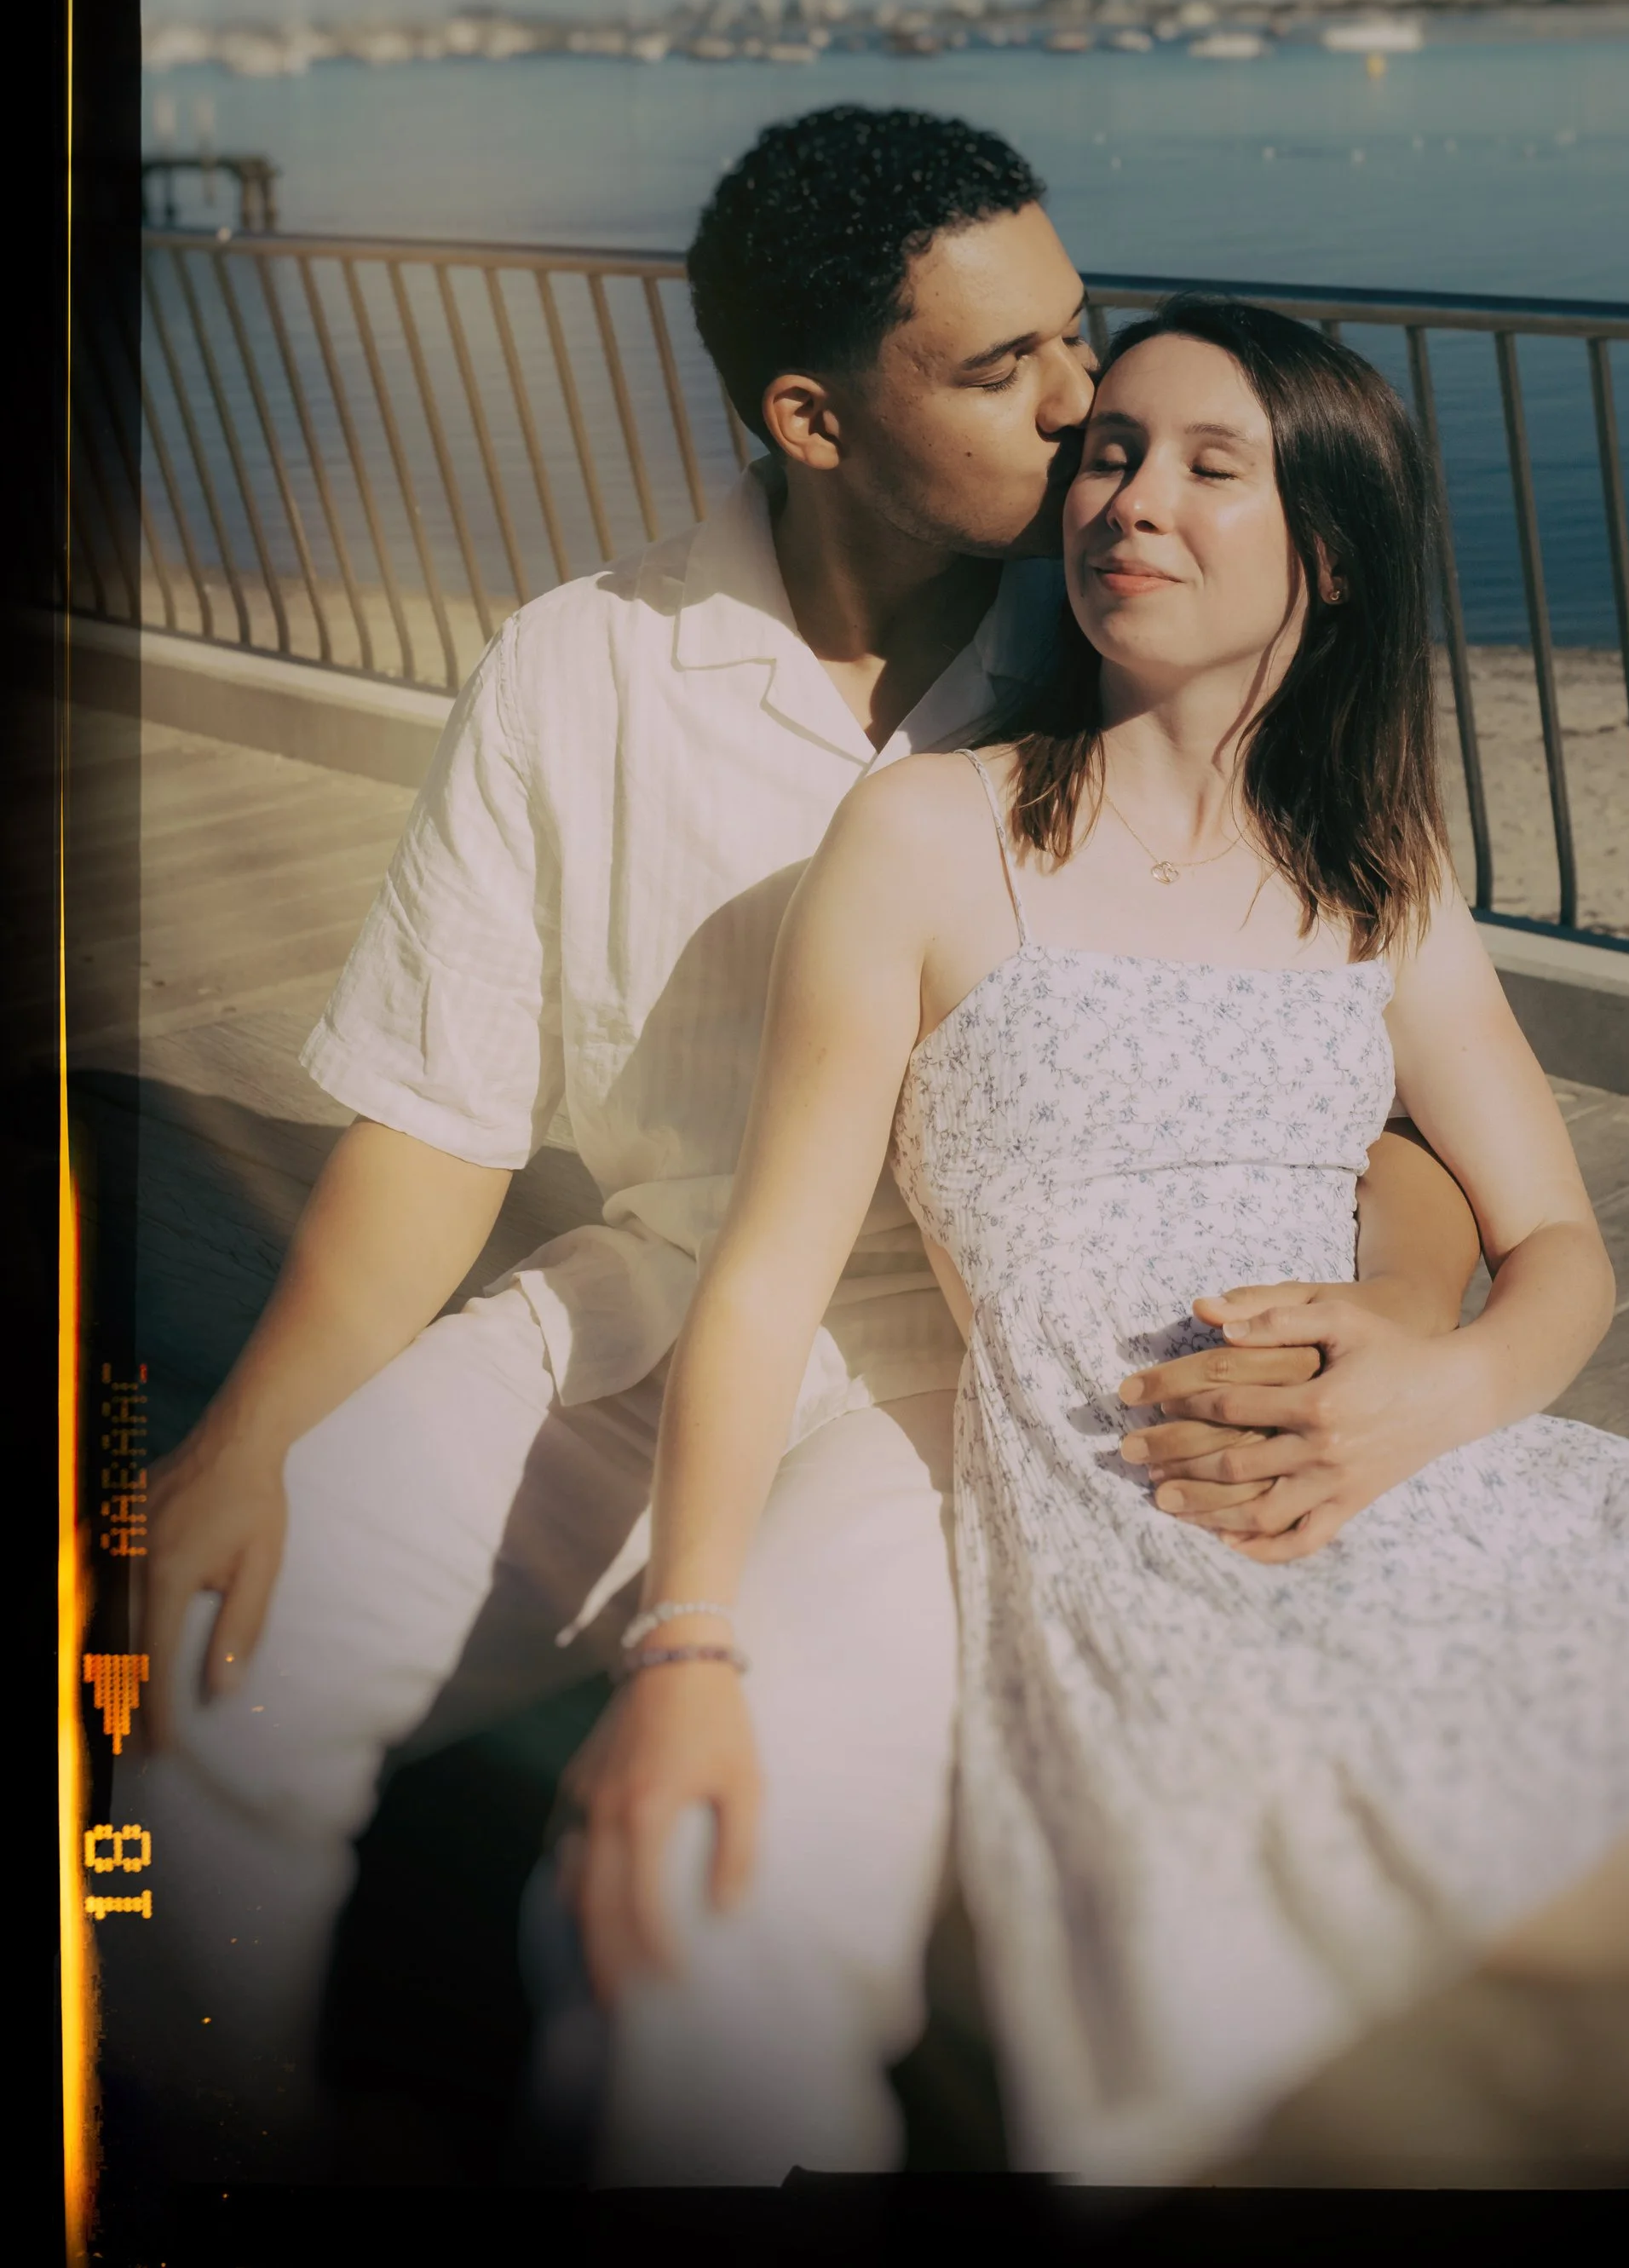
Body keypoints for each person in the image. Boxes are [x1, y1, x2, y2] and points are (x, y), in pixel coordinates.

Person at [111, 112, 1483, 2185]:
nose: (1082, 405)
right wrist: (241, 1450)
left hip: (976, 1373)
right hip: (640, 1312)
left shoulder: (1140, 643)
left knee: (702, 1931)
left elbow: (1381, 1107)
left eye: (1078, 336)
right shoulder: (585, 667)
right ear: (810, 413)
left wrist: (1384, 1330)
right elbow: (438, 1127)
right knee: (196, 1698)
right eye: (1000, 368)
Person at [562, 295, 1629, 2189]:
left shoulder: (1376, 871)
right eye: (1109, 451)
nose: (1126, 499)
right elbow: (764, 1269)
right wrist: (685, 1643)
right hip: (1208, 1575)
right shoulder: (929, 837)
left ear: (1323, 558)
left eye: (1208, 468)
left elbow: (1559, 1240)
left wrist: (1442, 1386)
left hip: (1467, 1482)